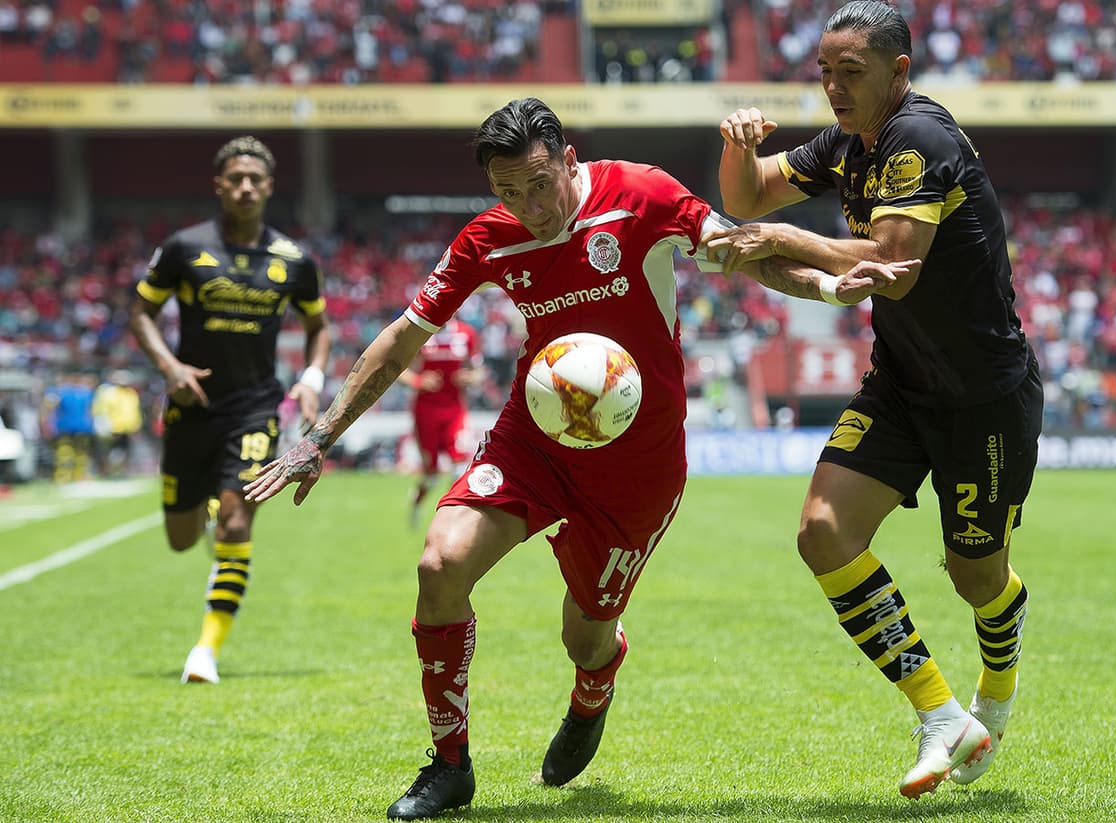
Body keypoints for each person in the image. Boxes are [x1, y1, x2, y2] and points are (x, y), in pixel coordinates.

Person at [243, 97, 875, 821]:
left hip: (638, 464)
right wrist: (316, 437)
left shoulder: (642, 193)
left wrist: (826, 284)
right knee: (440, 564)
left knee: (585, 631)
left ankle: (594, 684)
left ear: (569, 160)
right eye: (508, 192)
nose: (528, 206)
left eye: (539, 184)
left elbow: (744, 254)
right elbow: (400, 339)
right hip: (535, 437)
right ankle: (449, 766)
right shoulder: (489, 238)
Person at [708, 0, 1043, 799]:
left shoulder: (917, 138)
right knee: (823, 531)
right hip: (900, 382)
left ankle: (1000, 664)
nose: (831, 87)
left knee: (975, 576)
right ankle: (939, 713)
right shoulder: (846, 144)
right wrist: (735, 147)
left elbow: (894, 263)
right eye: (824, 71)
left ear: (899, 70)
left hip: (983, 399)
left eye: (848, 72)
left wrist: (787, 242)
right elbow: (748, 198)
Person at [128, 135, 331, 685]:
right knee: (179, 537)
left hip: (256, 407)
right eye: (236, 178)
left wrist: (311, 379)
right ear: (219, 184)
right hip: (190, 408)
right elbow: (141, 313)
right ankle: (211, 511)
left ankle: (205, 652)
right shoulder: (181, 249)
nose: (245, 187)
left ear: (270, 187)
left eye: (256, 179)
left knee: (237, 519)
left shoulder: (294, 260)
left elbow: (318, 328)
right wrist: (170, 367)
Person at [396, 316, 487, 528]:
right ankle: (417, 503)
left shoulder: (466, 333)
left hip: (455, 409)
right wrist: (417, 381)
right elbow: (398, 368)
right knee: (432, 475)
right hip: (425, 411)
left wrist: (471, 378)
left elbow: (479, 371)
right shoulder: (421, 331)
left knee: (459, 466)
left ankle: (451, 518)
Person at [91, 369, 144, 478]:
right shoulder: (109, 392)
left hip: (128, 427)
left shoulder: (131, 393)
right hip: (114, 427)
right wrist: (104, 425)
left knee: (125, 451)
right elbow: (101, 410)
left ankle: (122, 472)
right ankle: (106, 472)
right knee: (111, 451)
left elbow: (134, 410)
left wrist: (136, 425)